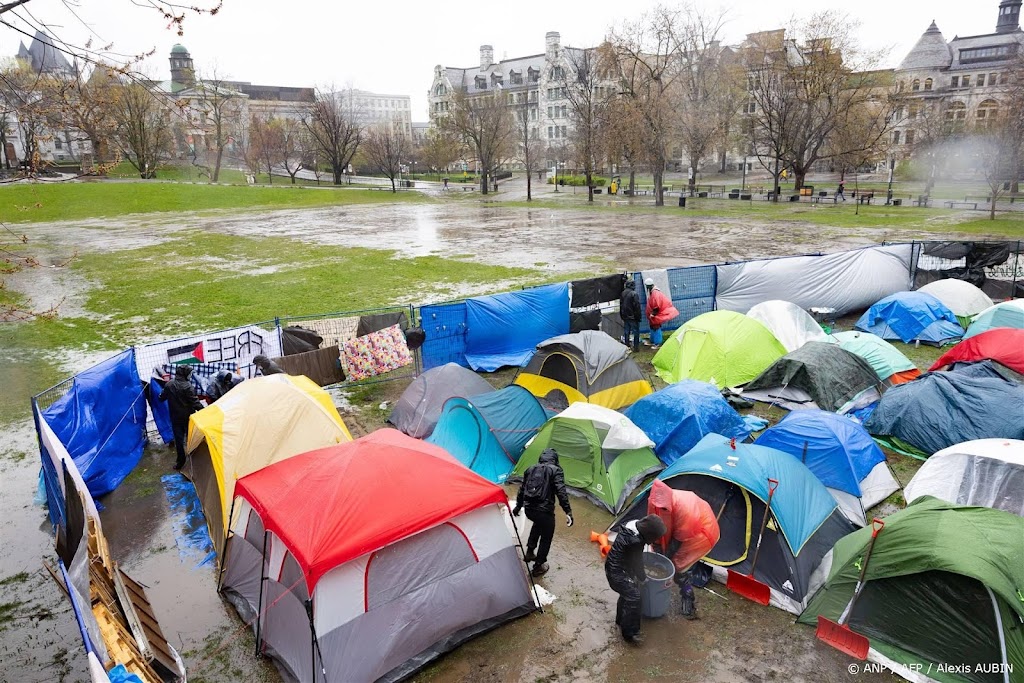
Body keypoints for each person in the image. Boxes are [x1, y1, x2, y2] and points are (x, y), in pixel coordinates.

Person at [647, 479, 721, 619]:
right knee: (661, 556)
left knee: (678, 566)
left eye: (664, 508)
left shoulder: (685, 509)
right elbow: (653, 526)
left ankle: (688, 596)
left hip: (702, 532)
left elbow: (677, 540)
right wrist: (657, 549)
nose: (660, 509)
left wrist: (665, 560)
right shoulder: (653, 501)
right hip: (679, 527)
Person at [605, 514, 668, 644]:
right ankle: (629, 634)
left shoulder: (633, 526)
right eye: (655, 537)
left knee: (626, 594)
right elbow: (637, 562)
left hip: (614, 567)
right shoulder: (634, 540)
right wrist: (643, 578)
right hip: (617, 573)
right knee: (634, 597)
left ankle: (620, 620)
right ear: (649, 534)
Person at [512, 448, 573, 577]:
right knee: (546, 536)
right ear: (555, 459)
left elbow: (522, 489)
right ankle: (539, 566)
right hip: (544, 511)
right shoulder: (556, 470)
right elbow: (561, 492)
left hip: (530, 510)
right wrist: (568, 511)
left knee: (537, 524)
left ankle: (529, 551)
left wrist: (518, 506)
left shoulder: (530, 469)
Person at [159, 365, 204, 470]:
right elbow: (196, 403)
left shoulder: (169, 385)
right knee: (191, 440)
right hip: (188, 418)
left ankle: (180, 462)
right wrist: (206, 412)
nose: (190, 376)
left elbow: (161, 397)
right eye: (189, 374)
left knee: (179, 442)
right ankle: (194, 462)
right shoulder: (188, 387)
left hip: (175, 419)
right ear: (185, 374)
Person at [644, 278, 679, 348]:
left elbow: (657, 305)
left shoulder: (655, 293)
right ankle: (653, 340)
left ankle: (657, 343)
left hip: (656, 313)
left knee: (656, 327)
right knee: (653, 327)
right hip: (654, 313)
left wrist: (653, 314)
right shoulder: (653, 291)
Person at [619, 280, 642, 351]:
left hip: (625, 316)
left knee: (626, 331)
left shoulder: (623, 293)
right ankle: (636, 347)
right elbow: (637, 306)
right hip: (633, 317)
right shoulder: (634, 294)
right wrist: (638, 317)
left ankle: (627, 345)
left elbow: (621, 305)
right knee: (636, 332)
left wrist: (622, 315)